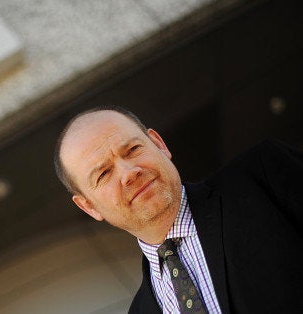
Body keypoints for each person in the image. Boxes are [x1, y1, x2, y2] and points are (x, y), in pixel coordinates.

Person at [54, 105, 303, 313]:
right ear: (88, 206)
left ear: (159, 144)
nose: (129, 173)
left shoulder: (263, 176)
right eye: (104, 174)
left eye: (132, 149)